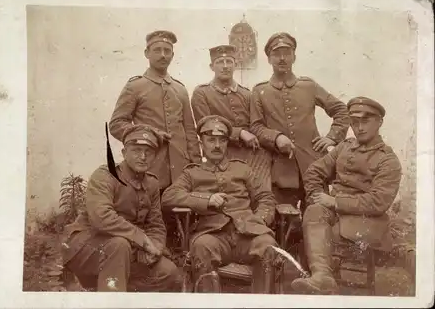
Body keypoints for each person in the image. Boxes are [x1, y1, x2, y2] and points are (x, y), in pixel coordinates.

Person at [291, 97, 402, 294]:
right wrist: (318, 196)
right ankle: (322, 277)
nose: (359, 128)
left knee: (320, 235)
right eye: (354, 122)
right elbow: (315, 171)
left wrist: (334, 202)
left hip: (366, 221)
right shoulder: (345, 147)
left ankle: (324, 278)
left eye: (365, 121)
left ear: (379, 122)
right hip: (337, 213)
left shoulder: (388, 160)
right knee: (314, 211)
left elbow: (378, 202)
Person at [161, 115, 278, 293]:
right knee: (202, 247)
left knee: (268, 246)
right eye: (211, 140)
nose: (216, 145)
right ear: (202, 144)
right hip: (213, 236)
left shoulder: (242, 169)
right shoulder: (193, 173)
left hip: (248, 235)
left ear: (226, 143)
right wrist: (205, 200)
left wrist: (259, 220)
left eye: (221, 140)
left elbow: (265, 197)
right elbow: (169, 196)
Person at [61, 124, 181, 292]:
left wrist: (156, 247)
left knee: (169, 272)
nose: (143, 157)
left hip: (126, 249)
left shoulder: (152, 183)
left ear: (155, 156)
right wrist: (143, 241)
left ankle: (109, 287)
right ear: (124, 153)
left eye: (149, 152)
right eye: (136, 150)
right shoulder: (106, 175)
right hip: (87, 245)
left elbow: (156, 224)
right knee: (119, 245)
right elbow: (101, 218)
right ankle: (108, 293)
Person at [250, 32, 350, 212]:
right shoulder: (259, 91)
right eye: (276, 54)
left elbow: (341, 110)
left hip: (313, 165)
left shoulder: (308, 86)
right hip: (279, 169)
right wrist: (276, 138)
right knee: (283, 222)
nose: (282, 58)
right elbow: (256, 126)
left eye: (287, 53)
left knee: (318, 215)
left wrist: (332, 138)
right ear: (269, 59)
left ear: (294, 56)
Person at [109, 30, 201, 192]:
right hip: (150, 166)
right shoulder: (135, 86)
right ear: (147, 53)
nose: (163, 55)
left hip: (181, 168)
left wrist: (196, 165)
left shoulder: (180, 89)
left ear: (172, 55)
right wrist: (150, 133)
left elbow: (190, 131)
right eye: (157, 50)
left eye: (167, 51)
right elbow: (116, 124)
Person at [191, 45, 273, 187]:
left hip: (251, 155)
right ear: (212, 67)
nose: (225, 66)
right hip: (220, 154)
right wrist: (239, 132)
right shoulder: (202, 93)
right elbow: (205, 125)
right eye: (220, 62)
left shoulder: (247, 94)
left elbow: (256, 124)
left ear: (235, 65)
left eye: (229, 62)